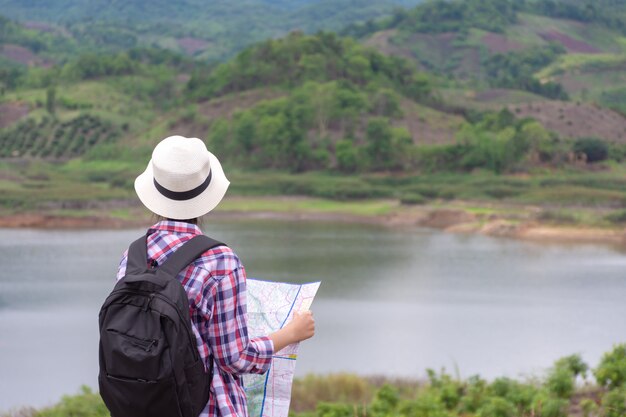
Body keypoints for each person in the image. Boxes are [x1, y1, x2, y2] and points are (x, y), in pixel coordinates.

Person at [115, 135, 316, 417]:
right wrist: (289, 334)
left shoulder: (133, 256)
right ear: (206, 199)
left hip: (143, 407)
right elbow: (236, 359)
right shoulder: (219, 262)